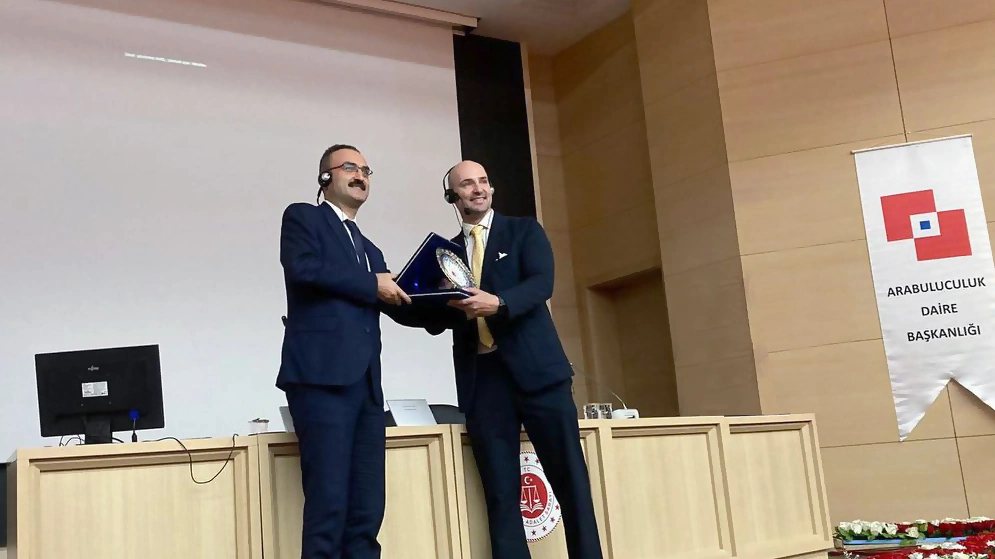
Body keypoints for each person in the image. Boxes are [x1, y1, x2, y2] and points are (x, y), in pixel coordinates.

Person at [424, 160, 605, 559]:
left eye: (484, 181)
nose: (478, 189)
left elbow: (541, 284)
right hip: (484, 379)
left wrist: (499, 302)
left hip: (539, 374)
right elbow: (437, 318)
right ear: (452, 196)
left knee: (570, 480)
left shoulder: (523, 230)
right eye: (467, 184)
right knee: (500, 493)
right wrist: (422, 299)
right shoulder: (446, 254)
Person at [276, 144, 411, 559]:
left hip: (367, 389)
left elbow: (397, 301)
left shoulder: (371, 250)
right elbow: (304, 269)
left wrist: (448, 299)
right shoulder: (303, 217)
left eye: (366, 170)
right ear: (325, 178)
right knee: (328, 505)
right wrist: (373, 283)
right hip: (321, 381)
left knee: (366, 513)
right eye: (350, 167)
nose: (360, 176)